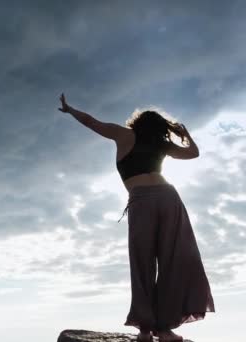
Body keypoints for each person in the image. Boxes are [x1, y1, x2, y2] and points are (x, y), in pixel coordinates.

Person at [58, 93, 215, 342]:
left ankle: (145, 329)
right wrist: (184, 134)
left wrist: (70, 110)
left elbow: (91, 121)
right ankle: (163, 330)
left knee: (142, 262)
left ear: (137, 121)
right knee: (171, 260)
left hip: (143, 200)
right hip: (169, 198)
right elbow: (193, 153)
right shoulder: (161, 143)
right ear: (158, 127)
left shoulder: (124, 135)